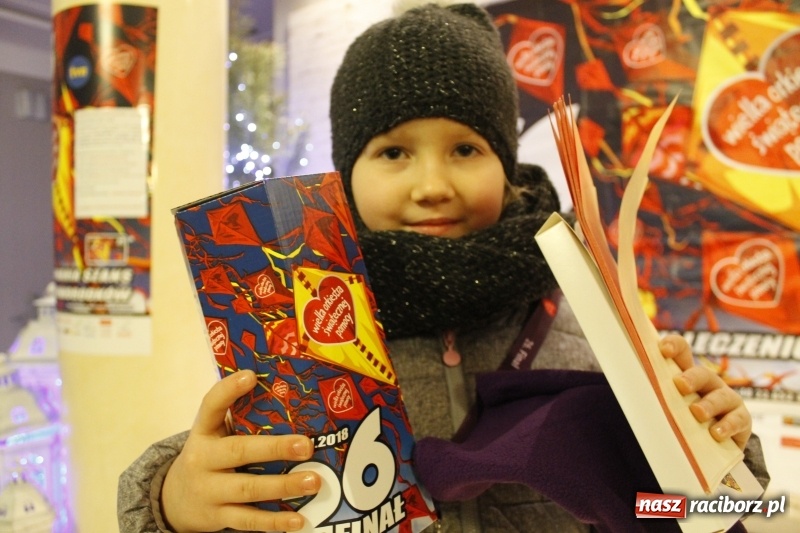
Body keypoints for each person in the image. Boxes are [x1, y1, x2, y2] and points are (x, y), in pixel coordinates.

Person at [118, 3, 769, 532]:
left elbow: (692, 506)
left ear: (506, 164)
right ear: (346, 173)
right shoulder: (302, 322)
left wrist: (721, 446)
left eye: (465, 148)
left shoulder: (590, 311)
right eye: (393, 152)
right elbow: (235, 470)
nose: (432, 185)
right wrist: (174, 499)